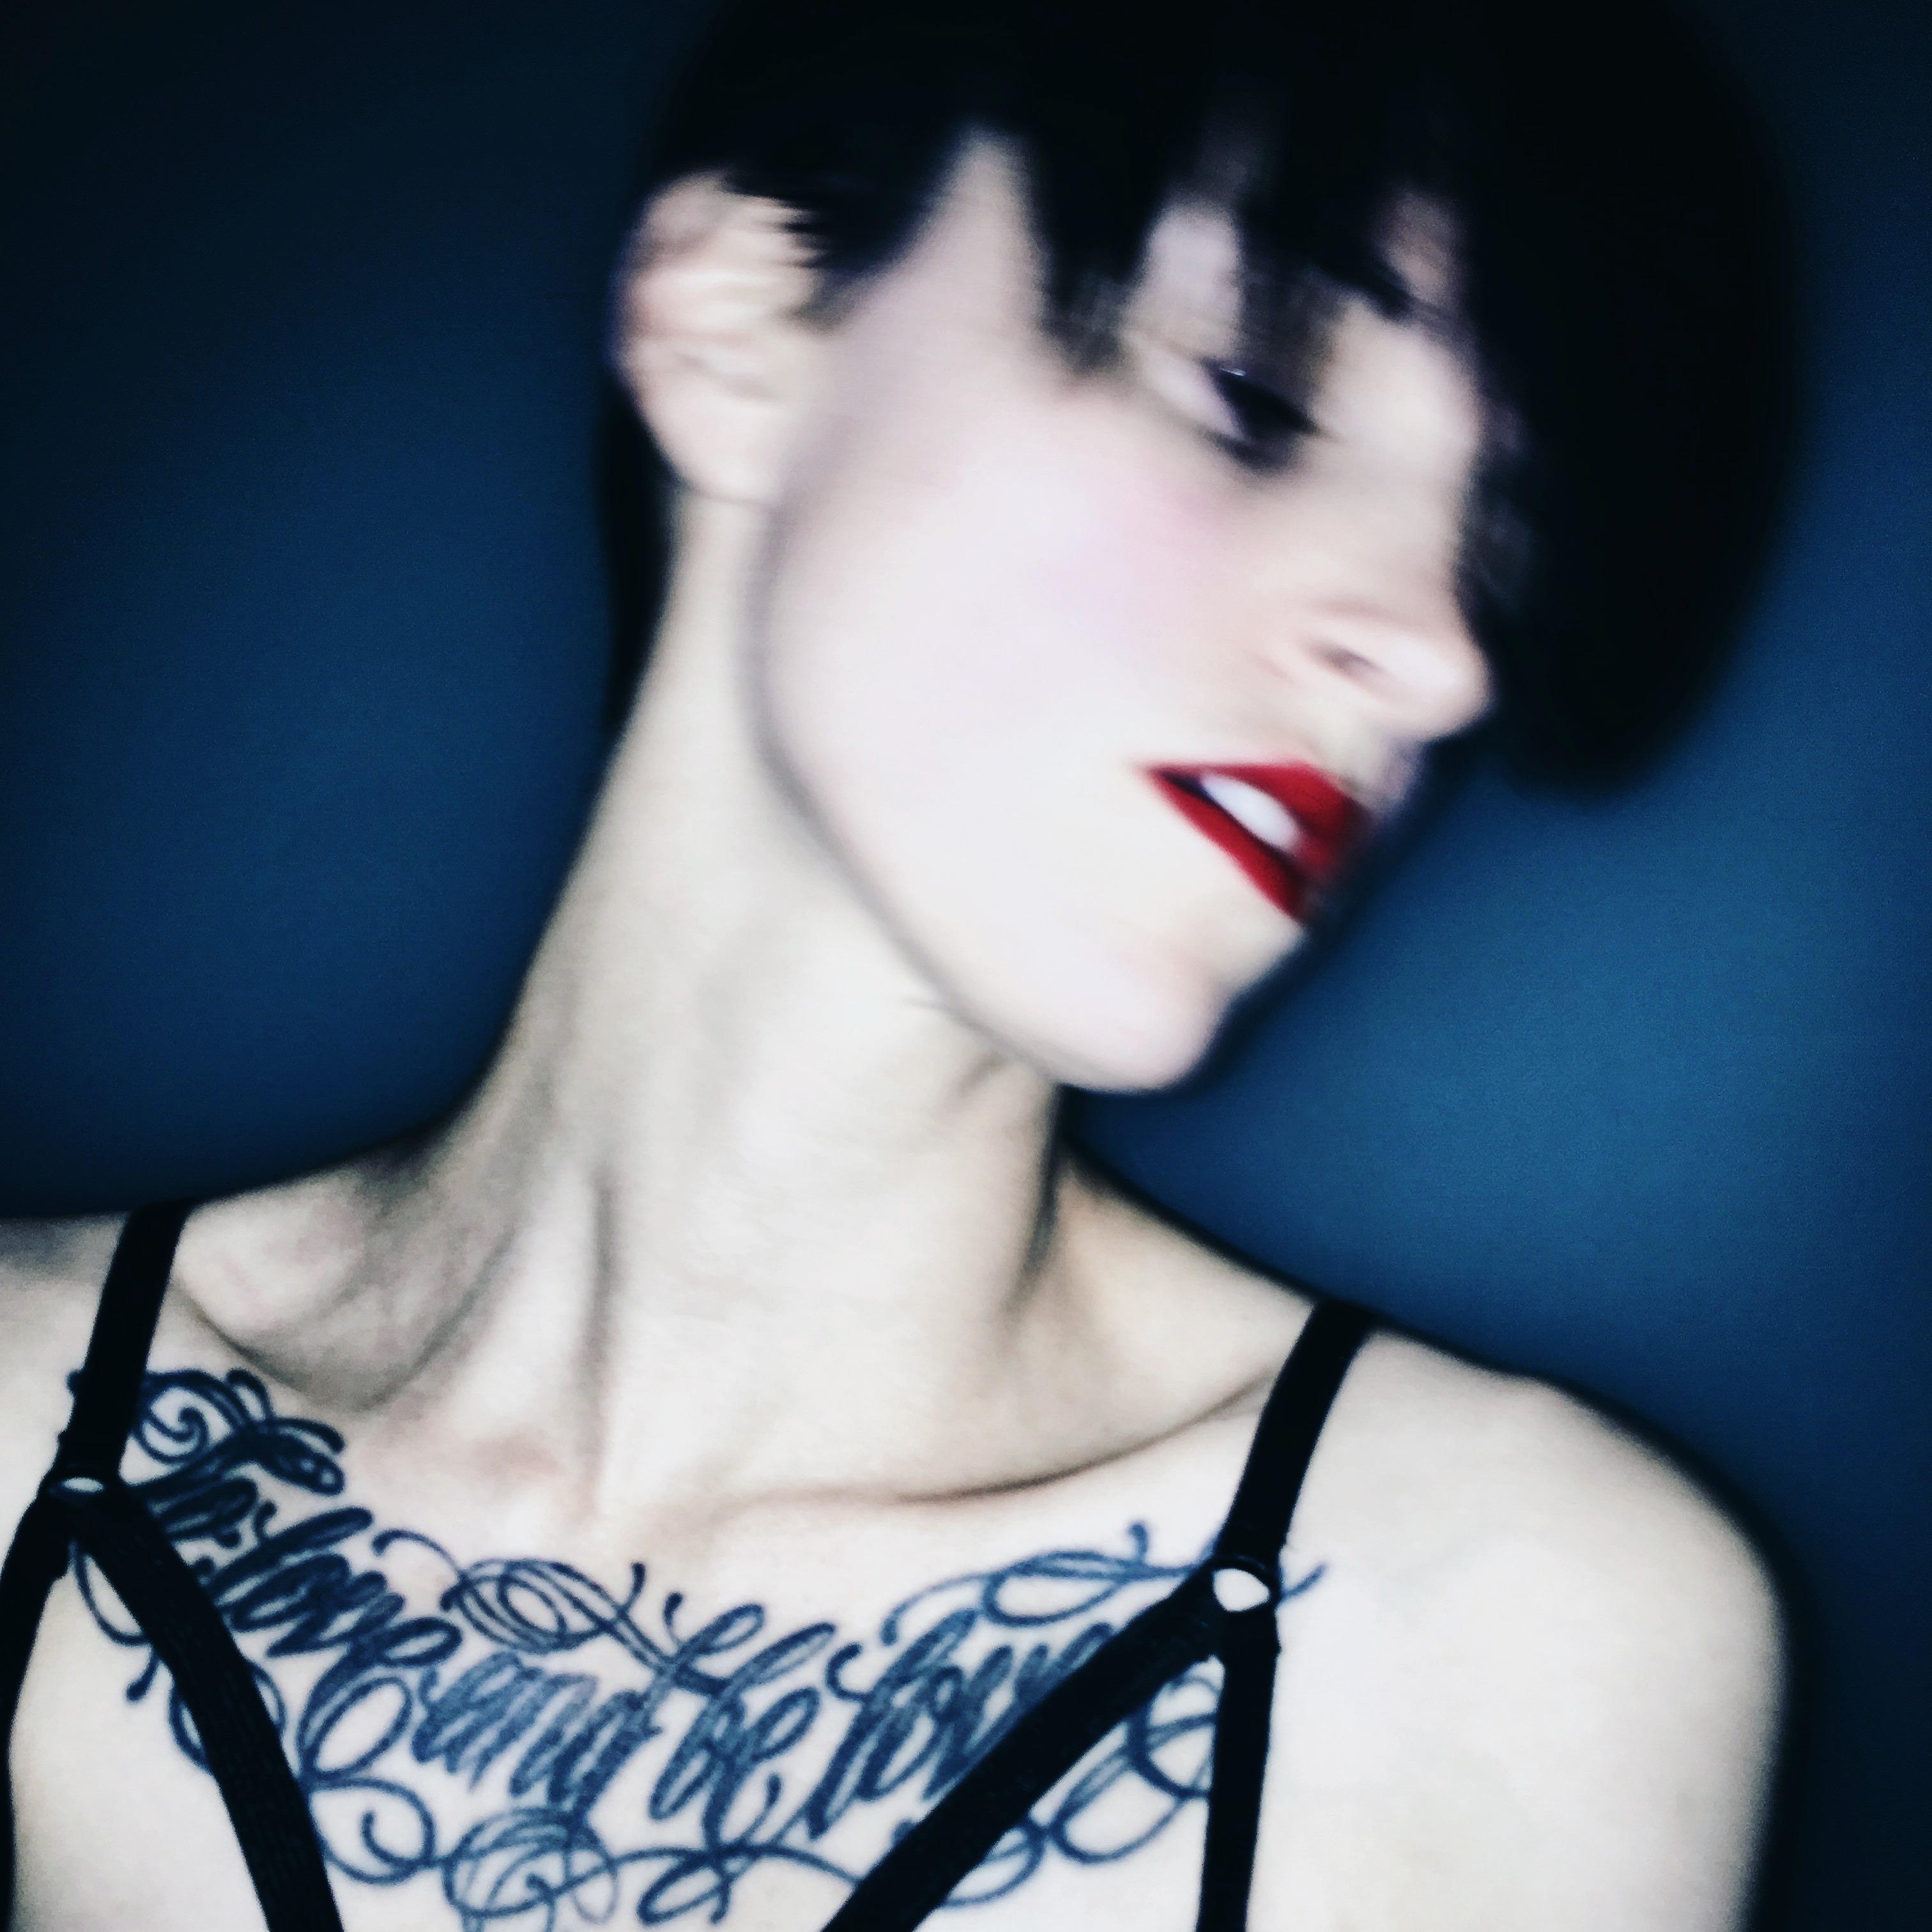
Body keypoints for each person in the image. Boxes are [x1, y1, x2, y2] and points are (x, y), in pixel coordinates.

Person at [0, 1, 1795, 1928]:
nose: (1439, 657)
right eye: (1255, 394)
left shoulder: (1502, 1622)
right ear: (743, 316)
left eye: (1500, 555)